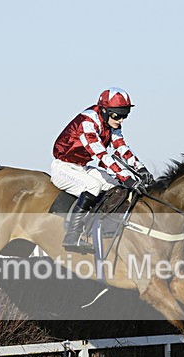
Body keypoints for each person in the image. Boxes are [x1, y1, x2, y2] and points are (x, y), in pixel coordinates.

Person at [51, 87, 154, 252]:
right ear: (104, 110)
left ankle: (106, 228)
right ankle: (72, 236)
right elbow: (101, 155)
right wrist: (127, 178)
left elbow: (121, 147)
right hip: (63, 168)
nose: (121, 120)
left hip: (82, 167)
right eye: (117, 116)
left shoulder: (111, 123)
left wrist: (141, 169)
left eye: (125, 116)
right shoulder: (87, 123)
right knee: (94, 186)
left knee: (117, 186)